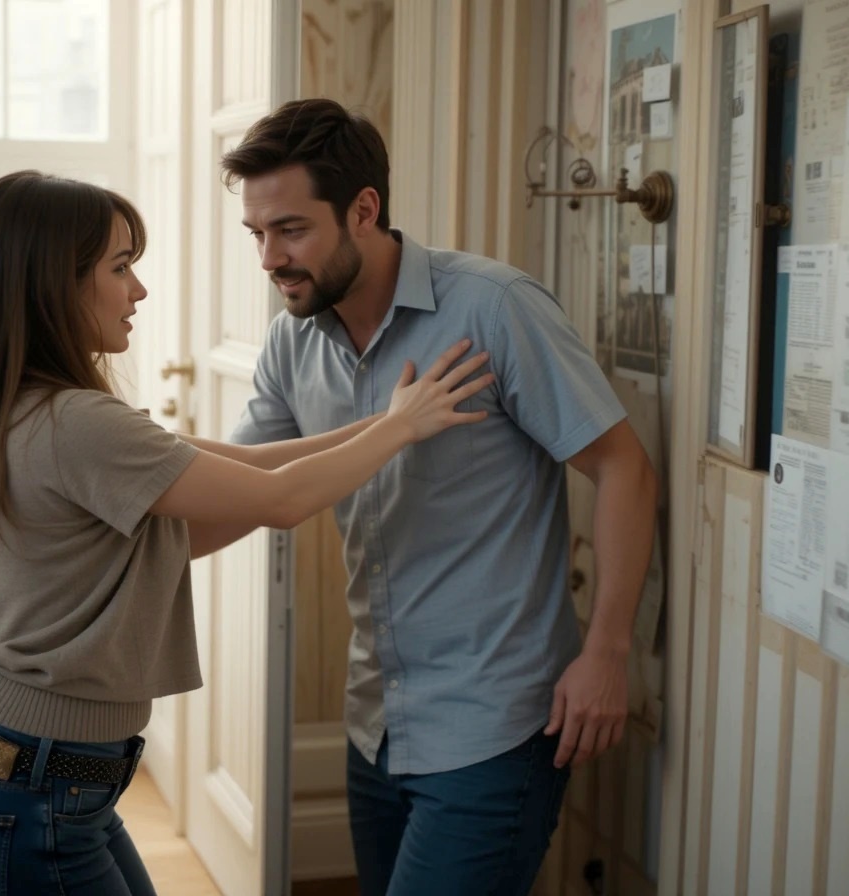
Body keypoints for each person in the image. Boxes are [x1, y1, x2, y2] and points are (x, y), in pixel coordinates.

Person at [0, 169, 495, 895]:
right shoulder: (77, 424)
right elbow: (279, 498)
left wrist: (388, 419)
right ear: (54, 284)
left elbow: (249, 467)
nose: (138, 290)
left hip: (8, 776)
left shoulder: (17, 406)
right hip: (27, 795)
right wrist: (399, 430)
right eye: (121, 267)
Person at [220, 98, 658, 896]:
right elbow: (245, 486)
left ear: (363, 210)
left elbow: (624, 468)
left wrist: (607, 654)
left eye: (290, 229)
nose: (269, 258)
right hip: (375, 720)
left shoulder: (493, 308)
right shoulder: (292, 339)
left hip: (494, 725)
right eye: (256, 233)